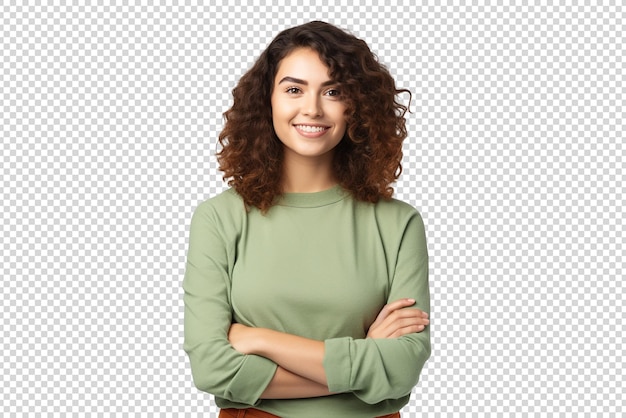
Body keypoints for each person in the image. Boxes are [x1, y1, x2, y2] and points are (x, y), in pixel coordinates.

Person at [183, 21, 430, 418]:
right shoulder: (219, 218)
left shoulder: (398, 224)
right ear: (268, 100)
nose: (312, 108)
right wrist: (367, 365)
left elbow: (402, 369)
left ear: (358, 107)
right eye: (294, 89)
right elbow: (211, 367)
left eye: (333, 92)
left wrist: (260, 339)